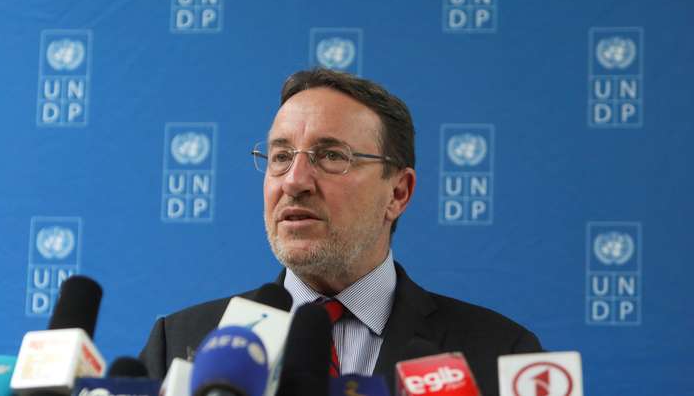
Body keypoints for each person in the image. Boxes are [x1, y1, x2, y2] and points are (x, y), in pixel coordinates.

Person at [140, 68, 541, 395]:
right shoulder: (180, 343)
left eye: (331, 156)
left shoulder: (500, 355)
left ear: (398, 193)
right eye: (280, 156)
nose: (294, 181)